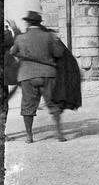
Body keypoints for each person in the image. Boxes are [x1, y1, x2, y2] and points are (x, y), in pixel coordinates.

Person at [9, 11, 66, 143]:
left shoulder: (20, 38)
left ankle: (29, 136)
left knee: (28, 106)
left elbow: (13, 52)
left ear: (28, 23)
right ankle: (59, 134)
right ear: (39, 23)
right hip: (48, 74)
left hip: (27, 75)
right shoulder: (49, 36)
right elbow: (58, 53)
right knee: (53, 103)